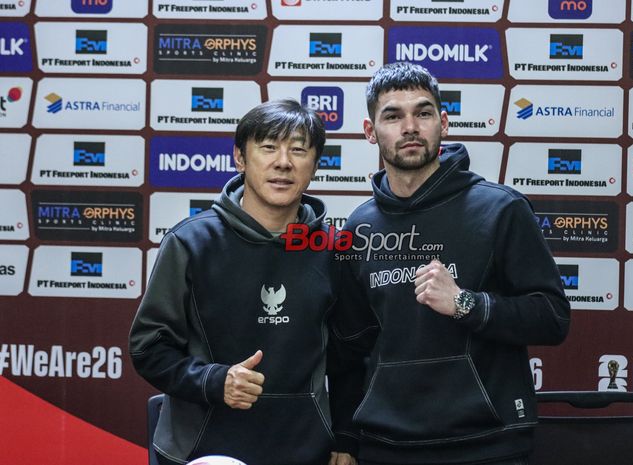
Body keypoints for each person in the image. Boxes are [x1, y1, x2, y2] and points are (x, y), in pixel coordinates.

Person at [329, 63, 571, 465]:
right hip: (386, 446)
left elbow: (552, 317)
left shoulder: (499, 209)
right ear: (370, 132)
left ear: (443, 123)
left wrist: (465, 304)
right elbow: (350, 348)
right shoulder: (360, 227)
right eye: (393, 116)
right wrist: (345, 436)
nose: (410, 127)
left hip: (488, 443)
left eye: (423, 113)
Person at [129, 99, 357, 465]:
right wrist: (214, 382)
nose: (283, 162)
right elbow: (149, 348)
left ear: (314, 165)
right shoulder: (191, 242)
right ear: (239, 157)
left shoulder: (333, 250)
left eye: (298, 150)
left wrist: (345, 438)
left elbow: (349, 358)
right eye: (268, 147)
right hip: (203, 450)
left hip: (306, 450)